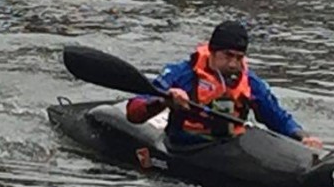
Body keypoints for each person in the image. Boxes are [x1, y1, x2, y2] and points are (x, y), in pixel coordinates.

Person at [126, 20, 323, 149]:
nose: (233, 64)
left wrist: (301, 137)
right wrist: (164, 101)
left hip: (229, 149)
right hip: (185, 149)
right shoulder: (182, 74)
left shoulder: (249, 82)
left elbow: (277, 117)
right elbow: (134, 113)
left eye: (239, 58)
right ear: (212, 52)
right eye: (227, 56)